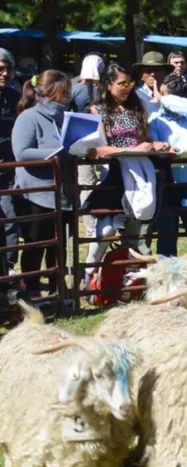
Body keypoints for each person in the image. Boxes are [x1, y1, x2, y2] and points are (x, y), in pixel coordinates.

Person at [86, 62, 170, 266]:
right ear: (108, 84)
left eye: (130, 83)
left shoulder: (136, 107)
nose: (128, 88)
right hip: (112, 175)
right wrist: (131, 151)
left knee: (134, 231)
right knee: (105, 231)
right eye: (122, 84)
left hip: (139, 175)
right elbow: (96, 150)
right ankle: (90, 271)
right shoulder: (96, 110)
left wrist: (157, 145)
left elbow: (144, 140)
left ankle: (127, 276)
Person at [10, 70, 72, 297]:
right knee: (35, 244)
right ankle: (33, 290)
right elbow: (22, 152)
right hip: (36, 192)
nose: (68, 96)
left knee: (59, 246)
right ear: (49, 92)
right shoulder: (29, 117)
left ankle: (58, 289)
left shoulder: (66, 118)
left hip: (62, 193)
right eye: (64, 91)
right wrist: (56, 152)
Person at [148, 73, 187, 257]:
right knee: (166, 236)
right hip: (166, 183)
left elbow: (186, 107)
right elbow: (152, 145)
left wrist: (164, 97)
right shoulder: (155, 120)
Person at [0, 47, 20, 282]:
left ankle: (9, 271)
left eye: (6, 69)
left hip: (7, 174)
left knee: (10, 224)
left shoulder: (14, 98)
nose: (3, 74)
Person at [133, 51, 173, 116]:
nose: (153, 74)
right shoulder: (135, 95)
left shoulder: (171, 94)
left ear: (165, 74)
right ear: (141, 76)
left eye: (157, 70)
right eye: (148, 70)